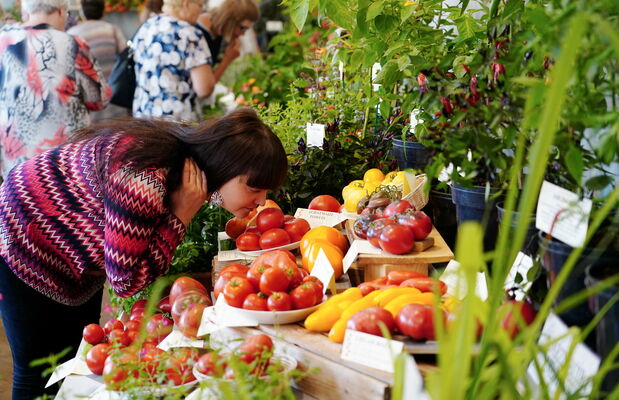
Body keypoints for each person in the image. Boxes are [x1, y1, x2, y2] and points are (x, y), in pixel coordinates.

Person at [0, 107, 288, 399]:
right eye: (255, 188)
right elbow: (126, 283)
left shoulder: (184, 168)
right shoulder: (145, 179)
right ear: (228, 167)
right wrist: (181, 217)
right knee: (36, 372)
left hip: (69, 253)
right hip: (21, 239)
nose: (262, 201)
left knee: (69, 361)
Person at [0, 0, 110, 182]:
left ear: (26, 11)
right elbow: (98, 100)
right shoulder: (73, 44)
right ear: (60, 12)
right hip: (64, 161)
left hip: (15, 162)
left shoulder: (3, 41)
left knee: (21, 207)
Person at [131, 0, 215, 122]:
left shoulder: (146, 27)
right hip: (177, 123)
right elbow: (204, 89)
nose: (201, 11)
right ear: (186, 4)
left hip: (144, 118)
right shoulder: (190, 33)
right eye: (200, 6)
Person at [68, 0, 129, 122]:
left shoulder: (72, 35)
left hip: (88, 106)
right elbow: (125, 58)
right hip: (115, 101)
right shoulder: (112, 30)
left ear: (82, 11)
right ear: (103, 11)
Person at [196, 0, 259, 83]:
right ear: (230, 21)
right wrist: (227, 59)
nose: (242, 34)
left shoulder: (218, 32)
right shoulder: (199, 34)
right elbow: (206, 86)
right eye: (242, 28)